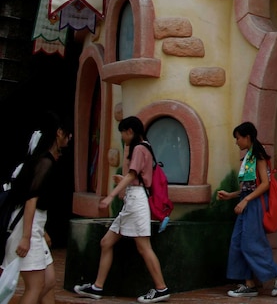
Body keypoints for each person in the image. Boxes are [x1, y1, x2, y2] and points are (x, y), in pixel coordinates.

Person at [73, 116, 171, 303]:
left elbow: (133, 175)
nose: (123, 138)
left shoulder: (139, 148)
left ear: (130, 132)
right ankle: (97, 287)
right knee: (106, 242)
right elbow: (136, 176)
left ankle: (161, 288)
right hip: (133, 200)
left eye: (123, 133)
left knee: (143, 247)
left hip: (135, 201)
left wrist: (110, 196)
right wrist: (124, 182)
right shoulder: (145, 146)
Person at [1, 112, 72, 304]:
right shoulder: (44, 163)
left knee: (48, 281)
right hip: (28, 227)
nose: (69, 137)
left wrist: (42, 232)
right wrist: (26, 237)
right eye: (67, 133)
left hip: (34, 227)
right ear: (59, 133)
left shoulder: (40, 161)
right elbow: (31, 200)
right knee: (36, 286)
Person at [216, 122, 277, 298]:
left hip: (255, 204)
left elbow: (265, 184)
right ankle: (248, 284)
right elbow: (249, 187)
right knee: (238, 242)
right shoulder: (249, 156)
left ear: (247, 137)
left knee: (251, 242)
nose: (237, 142)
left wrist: (246, 200)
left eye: (238, 138)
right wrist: (232, 195)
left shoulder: (258, 155)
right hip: (247, 201)